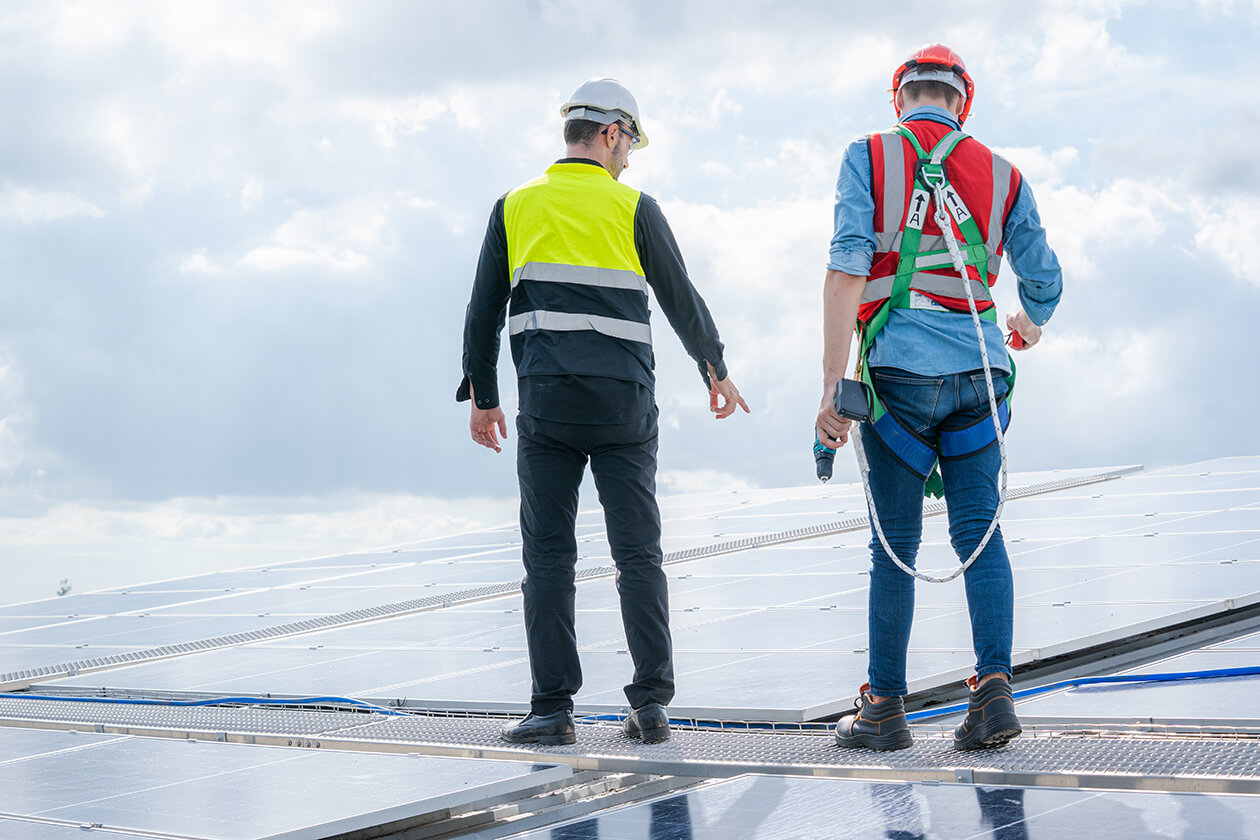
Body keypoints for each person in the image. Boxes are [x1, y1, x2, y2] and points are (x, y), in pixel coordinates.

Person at [458, 77, 749, 747]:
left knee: (550, 559)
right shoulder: (636, 208)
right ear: (611, 135)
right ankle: (651, 705)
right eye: (629, 146)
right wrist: (717, 370)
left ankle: (551, 711)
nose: (629, 160)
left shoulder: (514, 206)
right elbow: (681, 297)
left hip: (548, 409)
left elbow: (482, 311)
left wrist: (485, 397)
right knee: (638, 554)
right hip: (624, 409)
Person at [815, 45, 1062, 751]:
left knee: (894, 546)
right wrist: (1027, 322)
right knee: (980, 533)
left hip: (898, 377)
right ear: (963, 103)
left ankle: (884, 710)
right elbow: (1043, 278)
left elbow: (844, 272)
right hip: (982, 377)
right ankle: (992, 696)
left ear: (901, 99)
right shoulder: (1006, 176)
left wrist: (835, 390)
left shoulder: (868, 155)